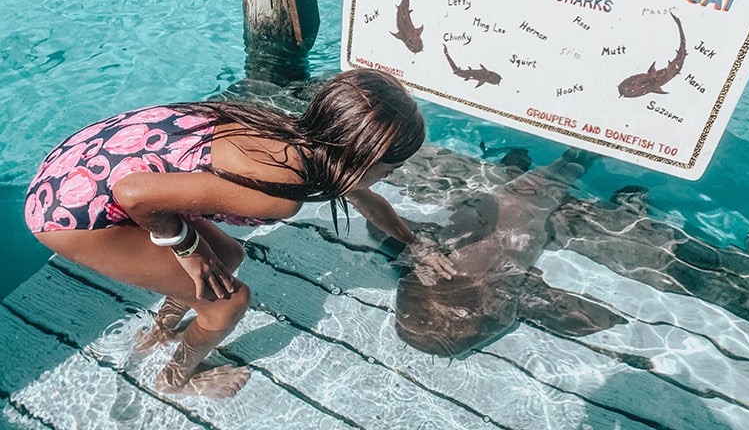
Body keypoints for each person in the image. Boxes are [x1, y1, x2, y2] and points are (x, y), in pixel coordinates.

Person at [24, 68, 456, 398]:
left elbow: (363, 196)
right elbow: (133, 194)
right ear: (364, 160)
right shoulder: (280, 195)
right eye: (392, 169)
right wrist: (187, 247)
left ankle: (162, 327)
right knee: (229, 303)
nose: (391, 177)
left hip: (81, 162)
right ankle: (176, 379)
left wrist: (412, 241)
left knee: (227, 259)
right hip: (71, 213)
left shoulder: (295, 132)